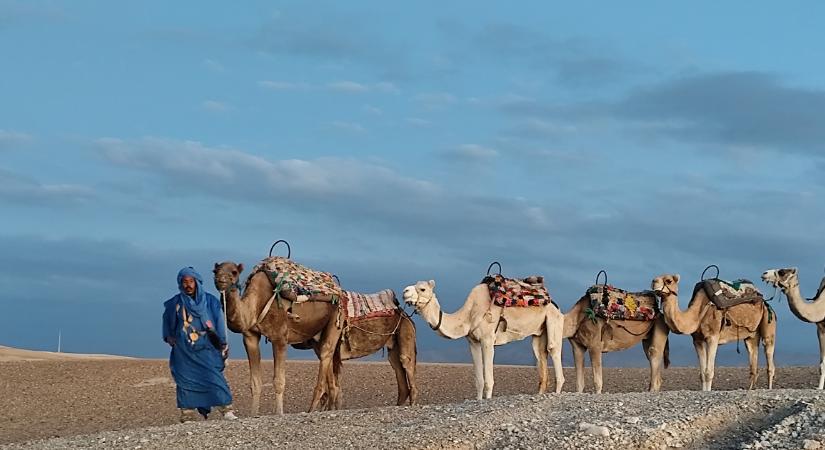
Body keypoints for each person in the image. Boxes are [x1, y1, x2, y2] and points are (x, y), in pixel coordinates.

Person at [162, 266, 237, 422]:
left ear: (197, 282)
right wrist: (169, 337)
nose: (188, 285)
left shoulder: (211, 301)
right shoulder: (175, 303)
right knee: (186, 381)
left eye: (191, 281)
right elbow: (168, 322)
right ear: (180, 283)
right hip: (184, 351)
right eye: (184, 282)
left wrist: (222, 342)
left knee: (214, 377)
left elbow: (218, 322)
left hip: (208, 347)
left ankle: (226, 409)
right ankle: (187, 413)